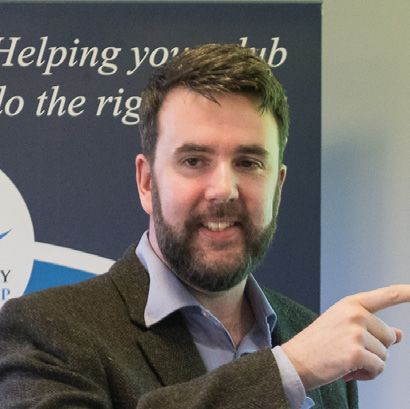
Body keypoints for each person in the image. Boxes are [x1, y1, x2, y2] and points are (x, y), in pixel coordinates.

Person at [0, 44, 409, 409]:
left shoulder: (312, 338)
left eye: (249, 162)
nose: (223, 190)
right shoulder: (46, 330)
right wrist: (287, 371)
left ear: (278, 188)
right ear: (147, 183)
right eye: (194, 161)